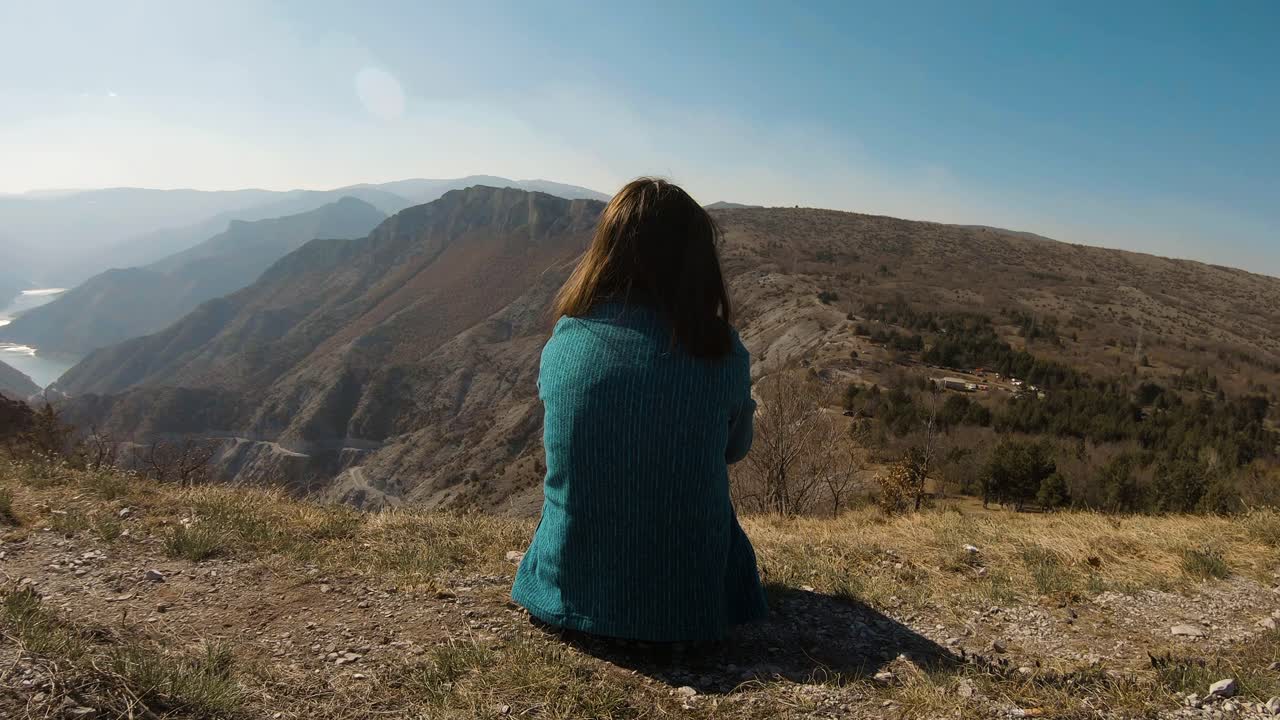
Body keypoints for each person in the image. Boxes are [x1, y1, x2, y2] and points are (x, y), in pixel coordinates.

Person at [511, 178, 768, 643]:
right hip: (689, 605)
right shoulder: (721, 350)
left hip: (565, 590)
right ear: (698, 262)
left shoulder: (566, 339)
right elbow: (735, 450)